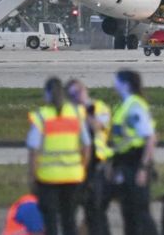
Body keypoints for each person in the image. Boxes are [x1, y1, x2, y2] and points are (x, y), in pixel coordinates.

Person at [27, 77, 91, 235]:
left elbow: (33, 149)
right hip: (73, 175)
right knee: (69, 220)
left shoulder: (42, 116)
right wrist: (82, 168)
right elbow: (87, 146)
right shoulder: (75, 113)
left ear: (47, 94)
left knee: (50, 221)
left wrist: (32, 175)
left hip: (48, 177)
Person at [110, 70, 159, 235]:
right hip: (123, 162)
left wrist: (143, 168)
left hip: (135, 162)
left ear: (125, 84)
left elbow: (150, 138)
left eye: (116, 81)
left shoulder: (134, 106)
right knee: (128, 211)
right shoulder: (122, 105)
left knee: (139, 212)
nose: (113, 84)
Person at [66, 79, 114, 235]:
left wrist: (85, 110)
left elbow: (98, 126)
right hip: (76, 165)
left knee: (96, 211)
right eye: (74, 93)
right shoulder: (68, 111)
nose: (79, 95)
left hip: (98, 164)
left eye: (80, 91)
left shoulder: (99, 107)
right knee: (71, 211)